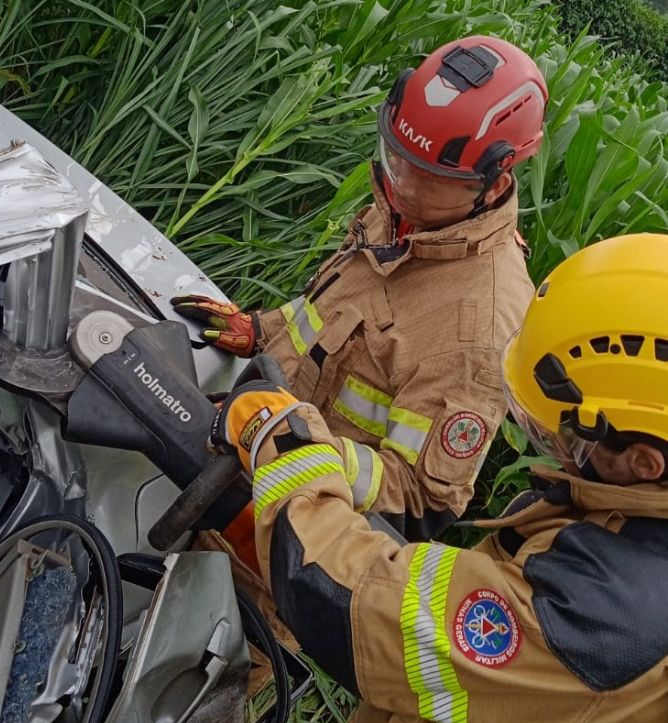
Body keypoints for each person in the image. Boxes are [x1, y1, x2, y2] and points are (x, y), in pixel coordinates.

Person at [139, 232, 668, 723]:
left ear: (643, 461)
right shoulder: (630, 538)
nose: (554, 452)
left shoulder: (606, 619)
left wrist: (283, 452)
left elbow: (360, 613)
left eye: (569, 435)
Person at [173, 35, 547, 542]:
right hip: (244, 446)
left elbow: (420, 500)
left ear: (493, 186)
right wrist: (261, 330)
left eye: (425, 175)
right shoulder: (409, 215)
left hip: (301, 529)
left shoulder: (478, 331)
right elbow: (332, 313)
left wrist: (288, 443)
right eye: (395, 158)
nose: (398, 182)